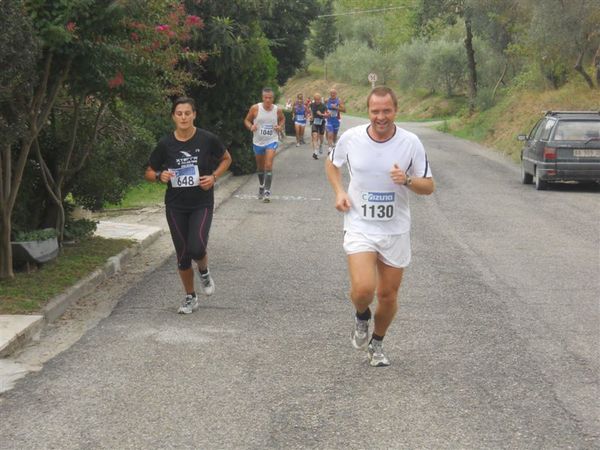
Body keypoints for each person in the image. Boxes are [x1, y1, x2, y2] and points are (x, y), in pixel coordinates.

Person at [325, 86, 435, 367]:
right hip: (360, 224)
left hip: (395, 229)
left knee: (388, 295)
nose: (381, 116)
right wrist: (339, 191)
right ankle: (362, 316)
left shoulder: (411, 143)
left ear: (395, 110)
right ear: (368, 111)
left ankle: (377, 342)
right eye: (375, 111)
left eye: (386, 110)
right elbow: (332, 164)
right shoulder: (352, 138)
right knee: (363, 290)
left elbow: (428, 186)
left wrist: (407, 180)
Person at [145, 97, 232, 314]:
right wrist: (158, 175)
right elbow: (148, 171)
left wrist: (213, 177)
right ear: (173, 117)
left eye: (187, 113)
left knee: (197, 247)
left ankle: (203, 270)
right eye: (179, 113)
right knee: (183, 254)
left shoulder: (207, 139)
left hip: (201, 202)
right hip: (175, 205)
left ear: (194, 114)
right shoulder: (166, 144)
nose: (183, 117)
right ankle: (190, 297)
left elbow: (226, 159)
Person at [244, 87, 285, 203]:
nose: (268, 100)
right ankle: (261, 185)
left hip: (271, 140)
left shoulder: (277, 110)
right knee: (260, 167)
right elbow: (246, 120)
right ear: (262, 98)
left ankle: (267, 191)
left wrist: (280, 126)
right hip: (258, 141)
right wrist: (251, 126)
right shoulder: (255, 108)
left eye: (270, 98)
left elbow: (282, 119)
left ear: (273, 98)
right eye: (266, 98)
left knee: (268, 165)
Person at [325, 88, 346, 154]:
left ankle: (333, 143)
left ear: (336, 94)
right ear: (330, 94)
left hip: (336, 120)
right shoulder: (326, 100)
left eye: (334, 93)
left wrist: (336, 107)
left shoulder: (339, 101)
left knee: (335, 134)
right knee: (330, 133)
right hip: (329, 120)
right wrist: (325, 113)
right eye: (331, 93)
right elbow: (324, 108)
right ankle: (329, 149)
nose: (332, 94)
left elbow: (344, 110)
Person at [309, 93, 327, 159]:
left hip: (322, 122)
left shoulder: (324, 106)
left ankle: (321, 145)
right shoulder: (312, 105)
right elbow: (311, 111)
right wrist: (311, 116)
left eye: (318, 99)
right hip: (315, 122)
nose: (317, 101)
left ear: (320, 99)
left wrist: (321, 114)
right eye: (315, 99)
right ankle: (315, 152)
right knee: (314, 135)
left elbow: (327, 115)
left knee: (321, 137)